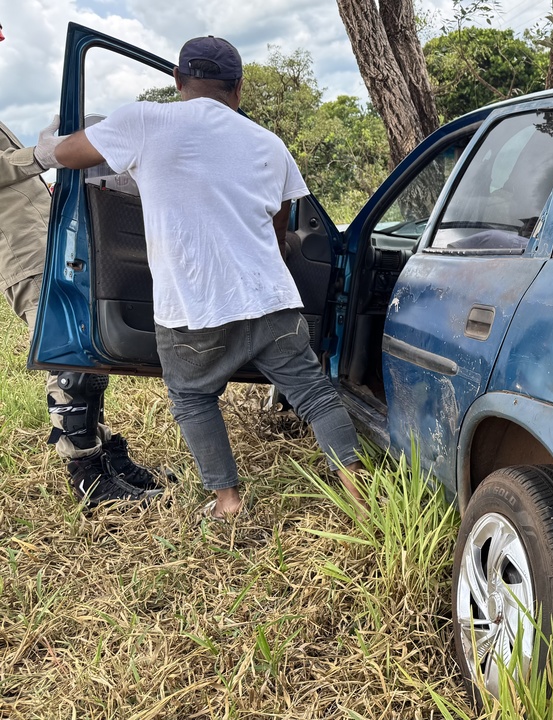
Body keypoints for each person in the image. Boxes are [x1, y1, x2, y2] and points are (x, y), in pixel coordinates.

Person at [37, 35, 364, 519]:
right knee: (315, 394)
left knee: (193, 398)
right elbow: (281, 226)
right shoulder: (269, 143)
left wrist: (43, 143)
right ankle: (360, 496)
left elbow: (67, 156)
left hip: (192, 307)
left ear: (177, 81)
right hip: (271, 299)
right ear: (238, 88)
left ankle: (227, 501)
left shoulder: (145, 120)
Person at [0, 20, 163, 509]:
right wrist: (42, 153)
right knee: (69, 365)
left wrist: (46, 149)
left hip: (44, 243)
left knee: (85, 357)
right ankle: (89, 478)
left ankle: (106, 455)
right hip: (22, 255)